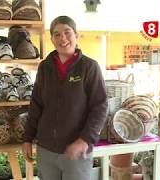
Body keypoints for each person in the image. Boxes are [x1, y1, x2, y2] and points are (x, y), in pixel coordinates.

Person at [22, 16, 108, 180]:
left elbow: (100, 107)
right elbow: (36, 104)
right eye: (57, 34)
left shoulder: (89, 67)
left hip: (76, 151)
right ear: (52, 39)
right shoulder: (45, 67)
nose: (63, 38)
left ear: (76, 35)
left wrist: (85, 139)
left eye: (67, 33)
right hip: (46, 150)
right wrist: (27, 138)